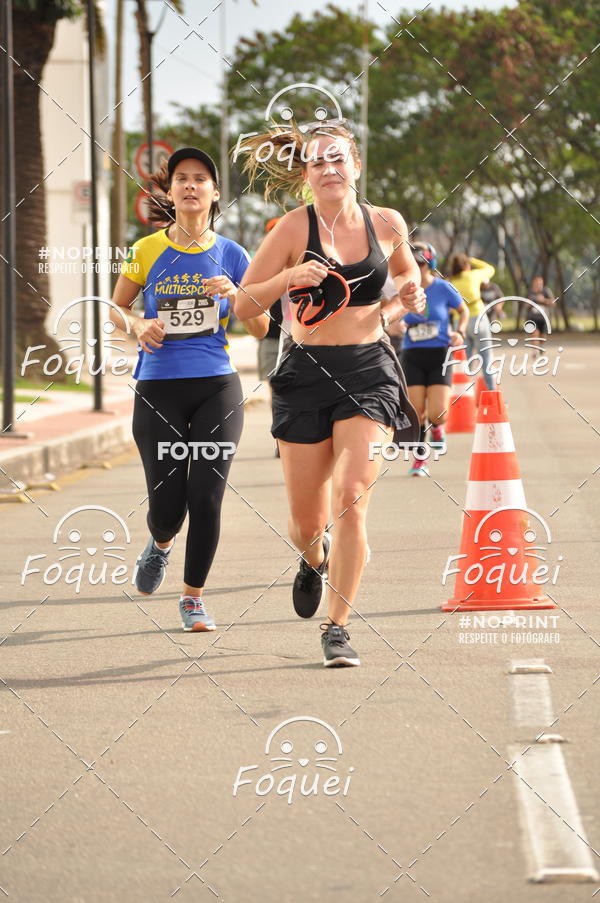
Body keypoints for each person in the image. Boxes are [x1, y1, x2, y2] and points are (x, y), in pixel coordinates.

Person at [234, 123, 425, 667]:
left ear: (356, 166)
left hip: (368, 370)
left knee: (351, 497)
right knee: (306, 522)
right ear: (307, 175)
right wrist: (290, 276)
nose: (329, 169)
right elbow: (245, 305)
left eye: (338, 159)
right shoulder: (294, 228)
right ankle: (311, 559)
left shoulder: (386, 222)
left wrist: (404, 298)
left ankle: (337, 628)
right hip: (303, 374)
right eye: (318, 162)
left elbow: (407, 275)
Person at [110, 147, 268, 632]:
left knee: (206, 496)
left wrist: (237, 296)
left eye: (201, 178)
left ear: (215, 194)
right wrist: (138, 325)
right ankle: (159, 545)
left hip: (216, 385)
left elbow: (262, 328)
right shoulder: (146, 250)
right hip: (159, 387)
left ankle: (193, 598)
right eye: (182, 178)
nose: (191, 185)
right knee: (167, 505)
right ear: (170, 190)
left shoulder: (233, 254)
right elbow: (114, 311)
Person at [401, 242, 469, 476]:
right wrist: (395, 324)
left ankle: (438, 427)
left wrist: (460, 332)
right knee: (416, 411)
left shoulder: (443, 288)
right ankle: (420, 460)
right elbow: (389, 311)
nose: (418, 268)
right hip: (412, 355)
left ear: (430, 264)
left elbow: (464, 311)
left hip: (440, 354)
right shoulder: (404, 290)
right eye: (413, 263)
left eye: (422, 263)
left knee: (438, 413)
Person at [257, 218, 286, 457]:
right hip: (270, 337)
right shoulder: (262, 267)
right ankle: (281, 434)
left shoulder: (305, 259)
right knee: (275, 388)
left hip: (299, 340)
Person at [448, 253, 496, 390]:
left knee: (465, 361)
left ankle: (464, 395)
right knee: (486, 358)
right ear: (466, 265)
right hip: (478, 319)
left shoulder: (451, 281)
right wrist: (472, 260)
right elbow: (490, 269)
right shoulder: (474, 275)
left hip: (460, 323)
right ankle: (491, 393)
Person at [528, 275, 555, 354]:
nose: (538, 285)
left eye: (540, 283)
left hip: (544, 318)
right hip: (533, 318)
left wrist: (544, 300)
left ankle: (541, 346)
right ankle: (534, 350)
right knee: (534, 333)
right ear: (533, 283)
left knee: (542, 335)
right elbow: (525, 304)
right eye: (536, 283)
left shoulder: (546, 291)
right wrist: (530, 302)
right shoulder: (530, 292)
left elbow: (553, 302)